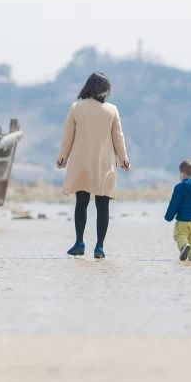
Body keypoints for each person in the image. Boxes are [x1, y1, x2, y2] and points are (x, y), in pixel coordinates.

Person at [57, 72, 131, 259]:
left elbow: (68, 135)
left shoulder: (76, 107)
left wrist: (63, 157)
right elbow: (118, 137)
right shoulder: (112, 110)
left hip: (81, 162)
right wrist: (124, 159)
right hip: (104, 163)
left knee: (81, 203)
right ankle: (99, 247)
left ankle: (79, 243)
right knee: (102, 205)